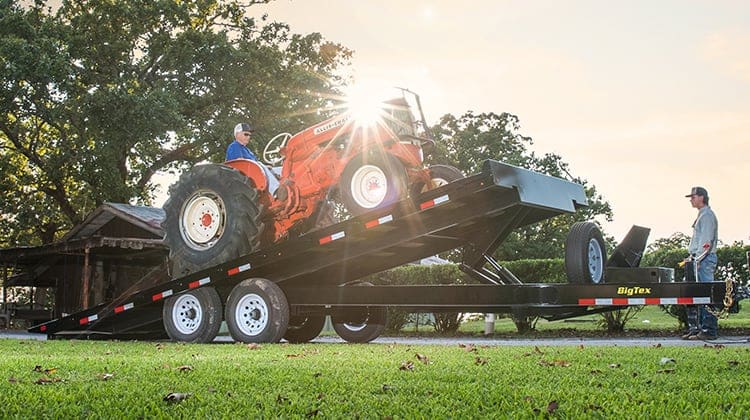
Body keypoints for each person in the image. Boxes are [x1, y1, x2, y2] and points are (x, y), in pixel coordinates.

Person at [681, 186, 719, 341]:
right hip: (699, 259)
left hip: (704, 260)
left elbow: (706, 242)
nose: (691, 199)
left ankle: (709, 330)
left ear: (702, 197)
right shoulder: (702, 215)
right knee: (696, 295)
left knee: (705, 294)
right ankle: (698, 328)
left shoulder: (707, 216)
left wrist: (698, 259)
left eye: (693, 197)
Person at [225, 122, 280, 194]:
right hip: (247, 176)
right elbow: (239, 163)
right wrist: (261, 166)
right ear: (237, 134)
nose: (248, 137)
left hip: (255, 171)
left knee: (279, 169)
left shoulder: (247, 150)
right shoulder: (234, 146)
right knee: (261, 165)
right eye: (246, 134)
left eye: (249, 135)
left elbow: (256, 163)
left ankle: (288, 187)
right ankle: (276, 190)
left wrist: (267, 167)